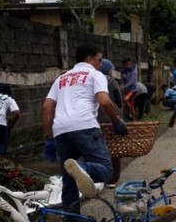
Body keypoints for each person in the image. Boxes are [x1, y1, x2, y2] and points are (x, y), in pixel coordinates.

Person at [42, 43, 128, 209]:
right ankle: (80, 167)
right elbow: (104, 101)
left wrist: (49, 138)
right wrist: (117, 121)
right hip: (85, 126)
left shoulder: (61, 79)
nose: (101, 64)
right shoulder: (95, 75)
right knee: (106, 171)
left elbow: (46, 108)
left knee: (69, 181)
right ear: (89, 59)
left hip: (61, 131)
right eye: (99, 60)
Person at [96, 58, 124, 188]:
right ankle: (113, 179)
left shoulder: (90, 79)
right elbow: (118, 100)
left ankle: (98, 178)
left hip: (94, 119)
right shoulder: (110, 80)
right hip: (111, 118)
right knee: (114, 149)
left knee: (96, 149)